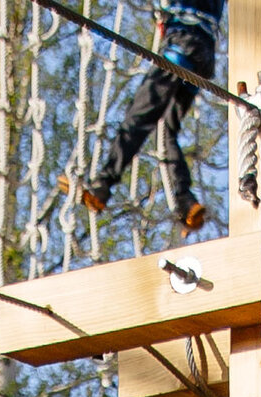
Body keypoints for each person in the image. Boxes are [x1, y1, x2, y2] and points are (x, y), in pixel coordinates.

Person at [74, 0, 219, 235]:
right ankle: (186, 202)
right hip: (204, 55)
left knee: (139, 118)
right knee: (166, 131)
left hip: (182, 43)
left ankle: (102, 186)